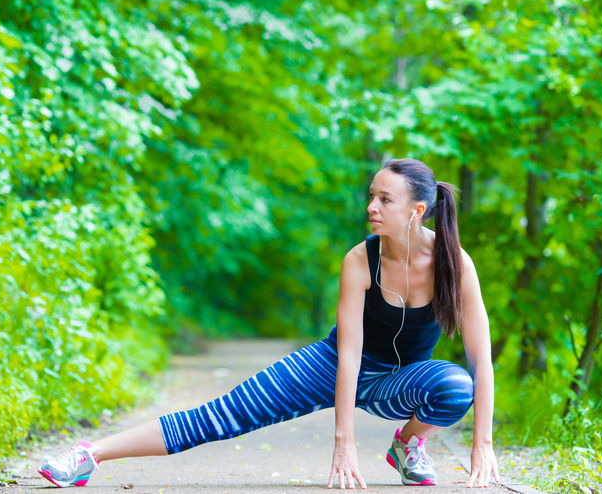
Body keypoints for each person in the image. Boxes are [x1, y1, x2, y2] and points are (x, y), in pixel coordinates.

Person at [37, 158, 500, 489]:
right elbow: (351, 355)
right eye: (371, 197)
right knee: (220, 416)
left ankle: (406, 446)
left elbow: (481, 359)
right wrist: (344, 443)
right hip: (333, 363)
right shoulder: (361, 259)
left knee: (456, 384)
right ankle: (89, 454)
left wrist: (483, 444)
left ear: (416, 211)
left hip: (398, 381)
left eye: (385, 199)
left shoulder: (454, 264)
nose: (371, 208)